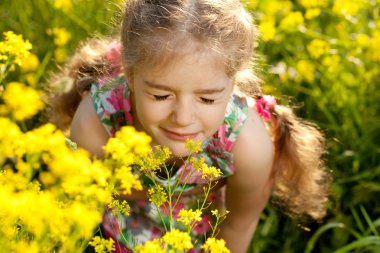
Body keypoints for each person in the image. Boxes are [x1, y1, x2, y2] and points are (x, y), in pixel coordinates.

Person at [48, 0, 331, 252]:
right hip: (116, 227)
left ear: (233, 86)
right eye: (161, 95)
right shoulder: (97, 121)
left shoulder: (248, 145)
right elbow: (83, 206)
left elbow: (238, 226)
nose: (183, 118)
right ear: (130, 76)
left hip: (198, 229)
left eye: (207, 98)